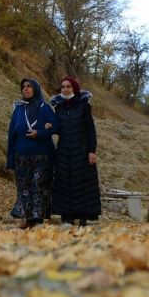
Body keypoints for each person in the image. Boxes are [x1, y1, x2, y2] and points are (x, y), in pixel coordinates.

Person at [7, 78, 58, 228]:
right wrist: (10, 158)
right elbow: (12, 134)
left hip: (42, 156)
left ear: (35, 89)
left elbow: (56, 126)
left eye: (29, 86)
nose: (26, 89)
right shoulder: (18, 109)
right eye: (23, 87)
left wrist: (41, 132)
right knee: (23, 187)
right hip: (21, 156)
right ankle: (26, 218)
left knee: (39, 187)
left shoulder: (44, 108)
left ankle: (37, 220)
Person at [49, 76, 100, 226]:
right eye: (63, 87)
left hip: (82, 150)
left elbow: (91, 130)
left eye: (68, 87)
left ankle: (83, 217)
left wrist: (92, 150)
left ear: (75, 88)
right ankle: (67, 217)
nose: (65, 89)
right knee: (64, 183)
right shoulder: (59, 108)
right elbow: (57, 128)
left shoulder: (84, 106)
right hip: (64, 150)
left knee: (83, 184)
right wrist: (48, 126)